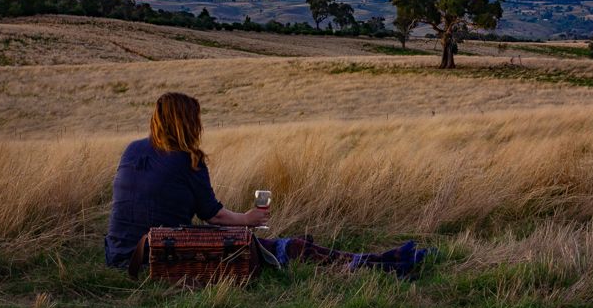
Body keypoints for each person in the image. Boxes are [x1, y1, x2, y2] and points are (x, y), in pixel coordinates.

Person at [105, 92, 430, 276]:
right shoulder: (187, 159)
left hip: (120, 255)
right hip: (161, 256)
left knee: (273, 246)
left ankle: (385, 260)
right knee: (281, 248)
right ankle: (385, 264)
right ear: (187, 122)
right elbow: (214, 217)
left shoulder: (132, 149)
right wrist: (249, 219)